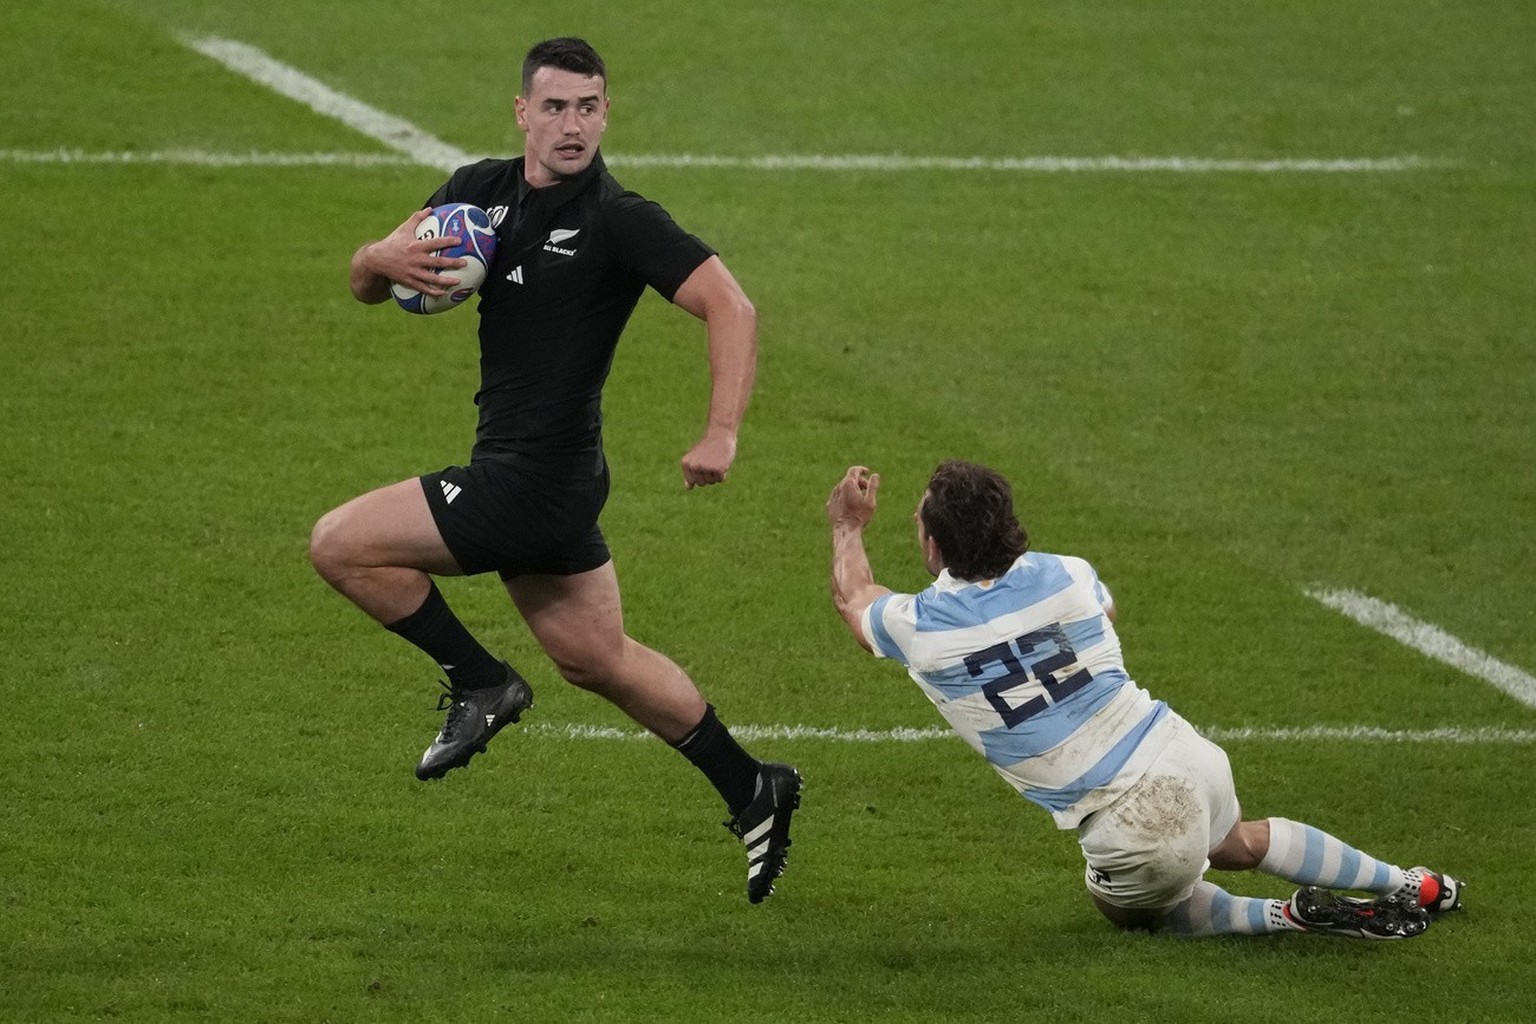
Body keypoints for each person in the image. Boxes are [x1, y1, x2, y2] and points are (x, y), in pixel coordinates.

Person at [309, 37, 800, 903]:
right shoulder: (475, 191)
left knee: (342, 545)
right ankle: (752, 785)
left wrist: (721, 432)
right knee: (597, 658)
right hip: (546, 474)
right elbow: (370, 279)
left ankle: (480, 681)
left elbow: (731, 304)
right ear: (523, 113)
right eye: (557, 106)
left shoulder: (617, 218)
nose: (573, 125)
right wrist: (375, 260)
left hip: (536, 481)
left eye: (590, 107)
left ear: (606, 113)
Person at [825, 460, 1463, 937]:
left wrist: (848, 526)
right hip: (1184, 752)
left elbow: (854, 599)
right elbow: (1107, 613)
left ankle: (1286, 916)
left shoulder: (922, 627)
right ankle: (1415, 882)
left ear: (934, 547)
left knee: (1136, 911)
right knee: (1235, 840)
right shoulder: (1068, 573)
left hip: (1129, 822)